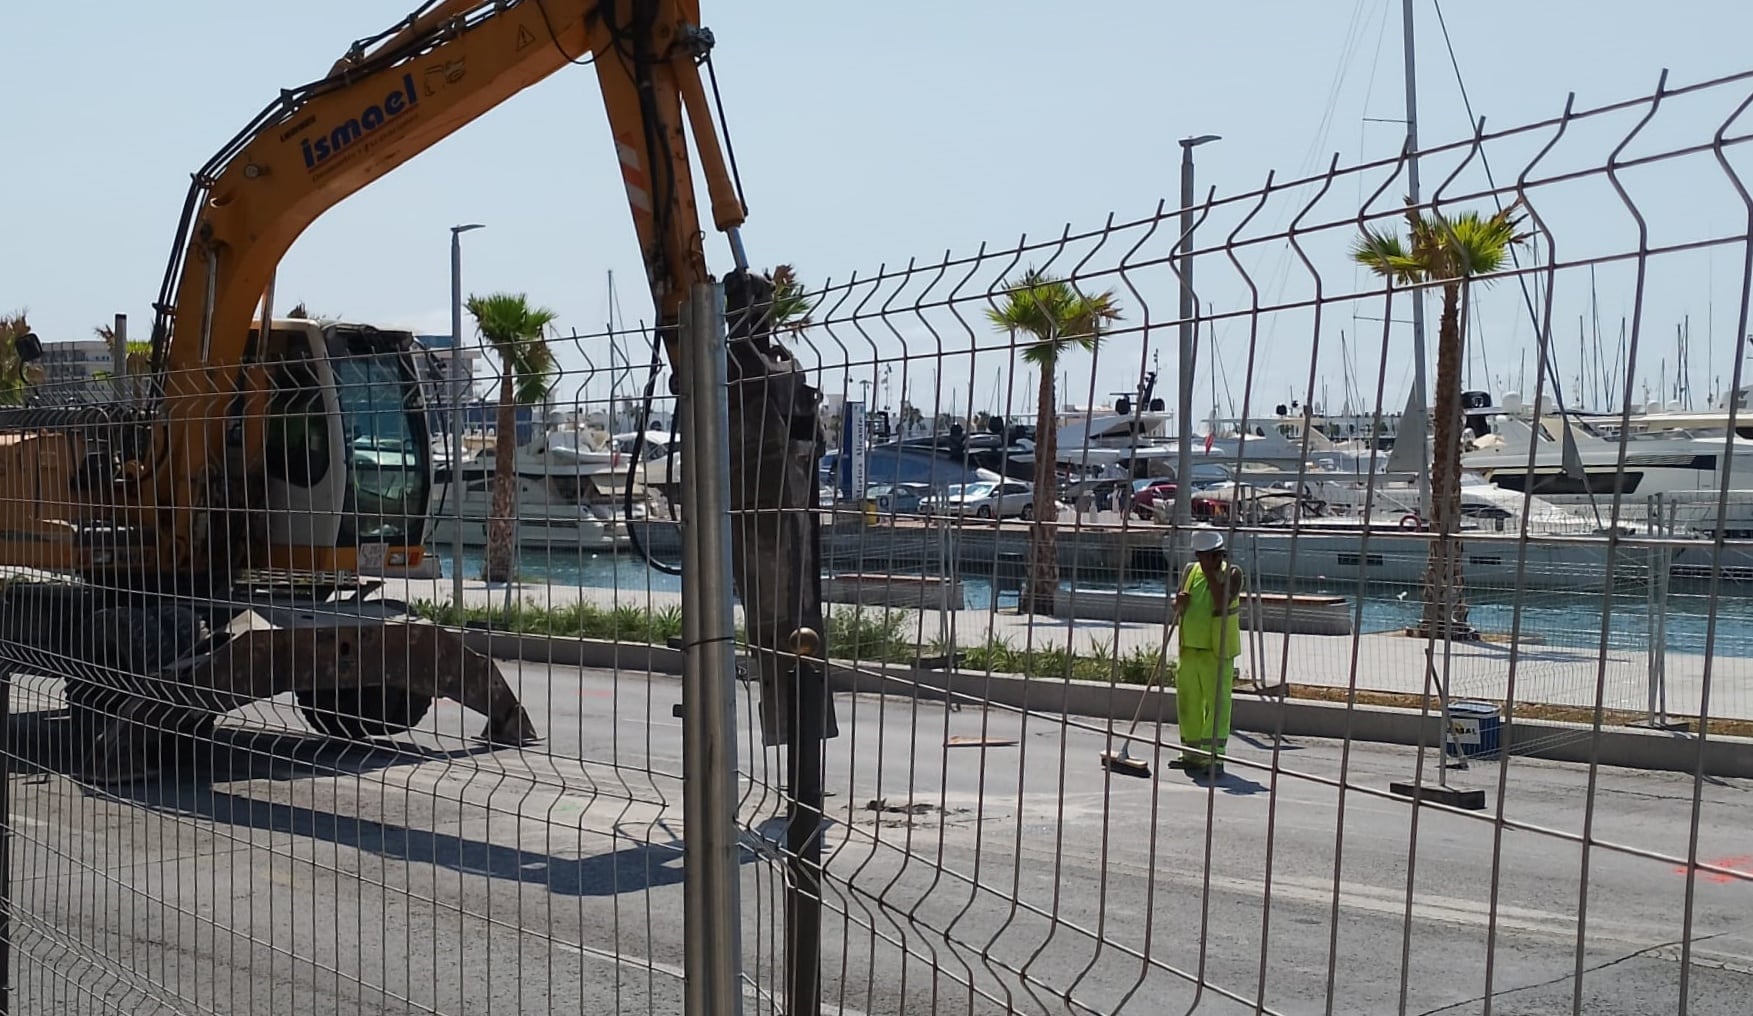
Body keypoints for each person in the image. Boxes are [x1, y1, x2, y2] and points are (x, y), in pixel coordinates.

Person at [1172, 526, 1244, 775]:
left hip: (1217, 652)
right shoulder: (1190, 571)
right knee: (1188, 703)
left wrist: (1211, 575)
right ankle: (1191, 754)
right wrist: (1178, 603)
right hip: (1189, 649)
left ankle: (1213, 758)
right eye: (1203, 556)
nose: (1211, 561)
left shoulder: (1232, 574)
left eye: (1214, 556)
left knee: (1218, 706)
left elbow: (1221, 601)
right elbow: (1179, 603)